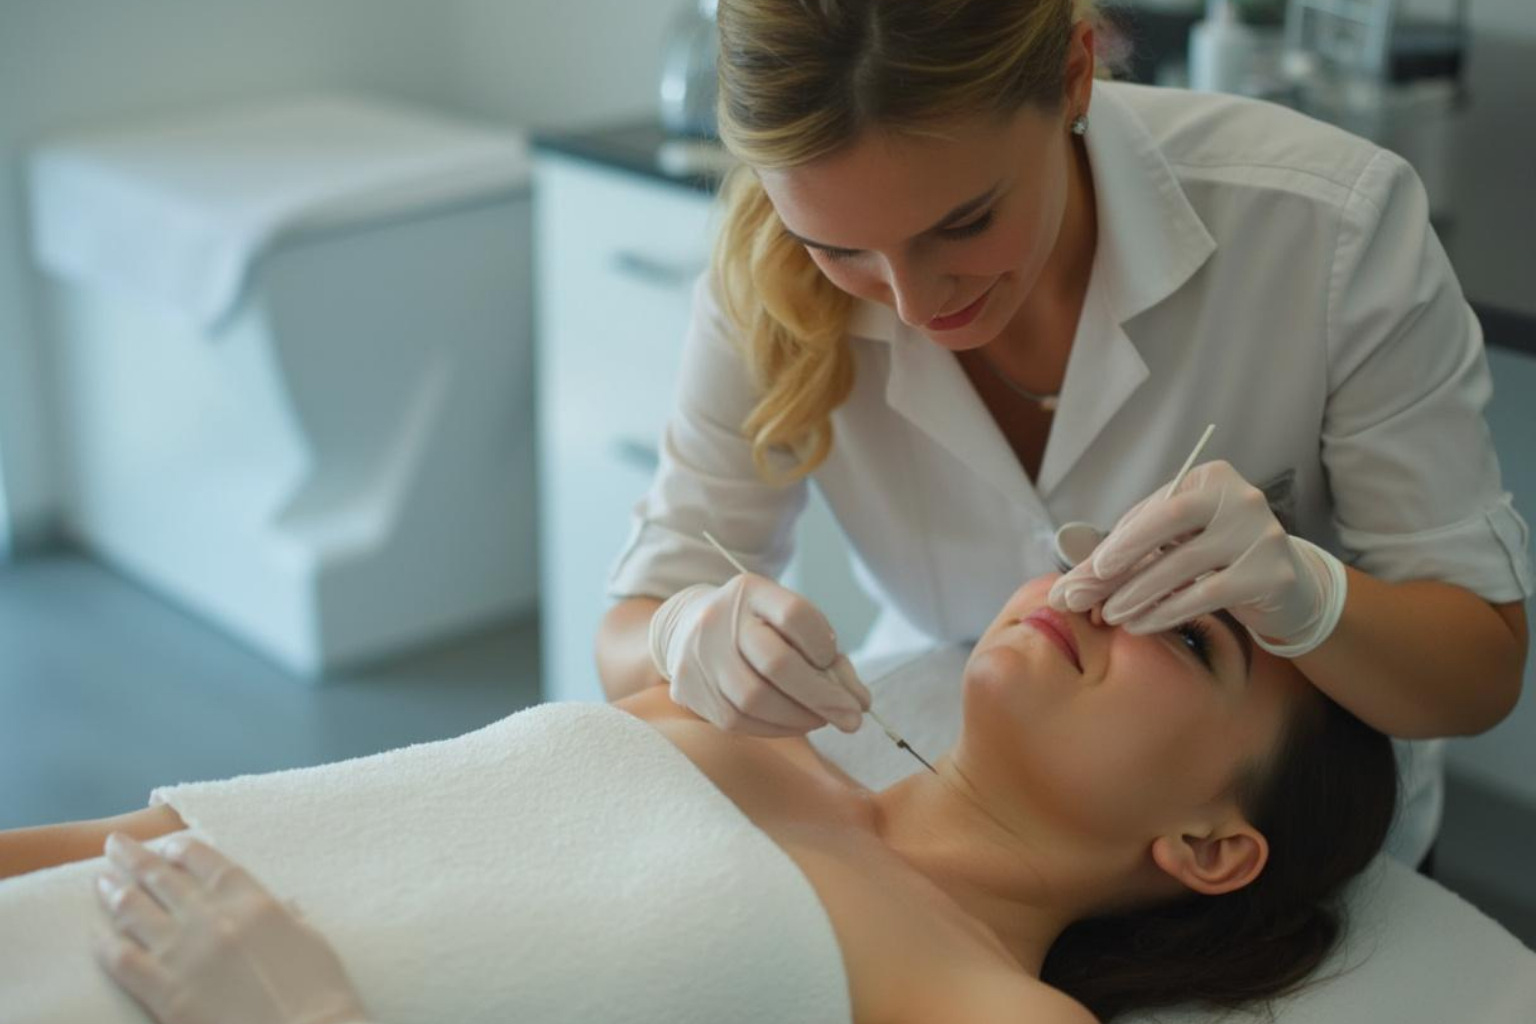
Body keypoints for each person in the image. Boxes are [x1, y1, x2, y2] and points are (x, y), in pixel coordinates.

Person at [595, 0, 1530, 871]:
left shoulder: (1325, 228)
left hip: (1281, 851)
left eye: (965, 223)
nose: (917, 306)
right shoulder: (761, 268)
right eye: (839, 250)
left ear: (1076, 75)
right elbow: (633, 630)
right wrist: (686, 636)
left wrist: (1311, 598)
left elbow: (1479, 674)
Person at [3, 575, 1397, 1024]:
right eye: (1115, 560)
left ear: (1212, 843)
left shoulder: (993, 1010)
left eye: (1194, 636)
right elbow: (160, 837)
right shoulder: (718, 722)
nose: (1098, 594)